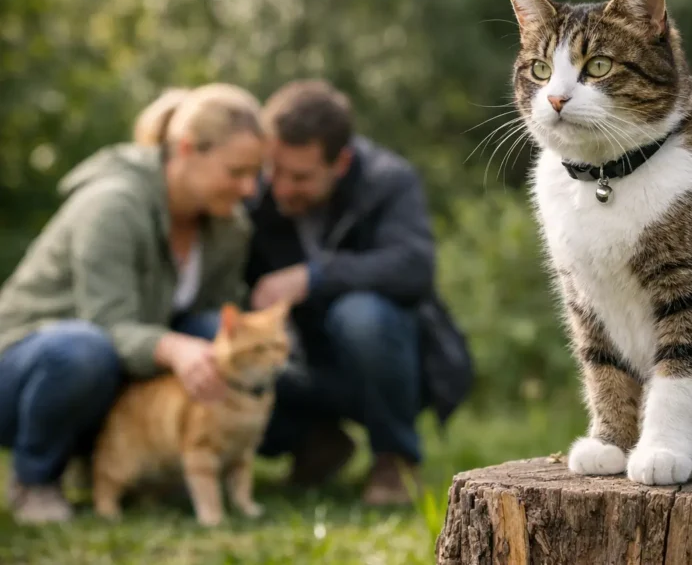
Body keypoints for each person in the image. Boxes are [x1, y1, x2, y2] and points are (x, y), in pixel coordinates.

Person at [0, 83, 265, 524]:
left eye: (256, 173)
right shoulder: (112, 206)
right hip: (28, 370)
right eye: (236, 171)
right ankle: (36, 479)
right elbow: (106, 321)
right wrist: (175, 349)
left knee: (215, 339)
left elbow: (217, 321)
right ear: (186, 149)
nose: (249, 187)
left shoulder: (229, 228)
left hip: (114, 375)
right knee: (84, 349)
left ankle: (155, 465)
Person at [244, 79, 471, 507]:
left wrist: (312, 277)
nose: (280, 188)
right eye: (272, 170)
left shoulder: (389, 181)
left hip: (391, 363)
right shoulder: (252, 190)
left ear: (341, 162)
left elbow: (412, 265)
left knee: (362, 314)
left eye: (300, 177)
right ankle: (316, 441)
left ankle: (395, 459)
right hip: (295, 361)